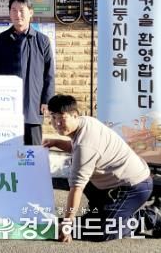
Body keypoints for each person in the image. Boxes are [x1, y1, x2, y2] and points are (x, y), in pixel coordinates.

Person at [43, 94, 157, 242]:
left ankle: (148, 217)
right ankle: (101, 213)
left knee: (102, 232)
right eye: (53, 117)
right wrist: (56, 142)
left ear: (75, 115)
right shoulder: (85, 122)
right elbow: (78, 147)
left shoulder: (86, 145)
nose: (57, 123)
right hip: (113, 183)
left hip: (134, 187)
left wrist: (67, 225)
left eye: (62, 118)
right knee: (91, 220)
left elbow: (77, 188)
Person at [0, 0, 54, 145]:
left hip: (33, 105)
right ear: (9, 13)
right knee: (6, 149)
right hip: (5, 106)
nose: (18, 14)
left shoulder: (42, 41)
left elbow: (49, 74)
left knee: (33, 151)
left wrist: (46, 100)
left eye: (22, 10)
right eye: (14, 10)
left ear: (31, 12)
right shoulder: (0, 40)